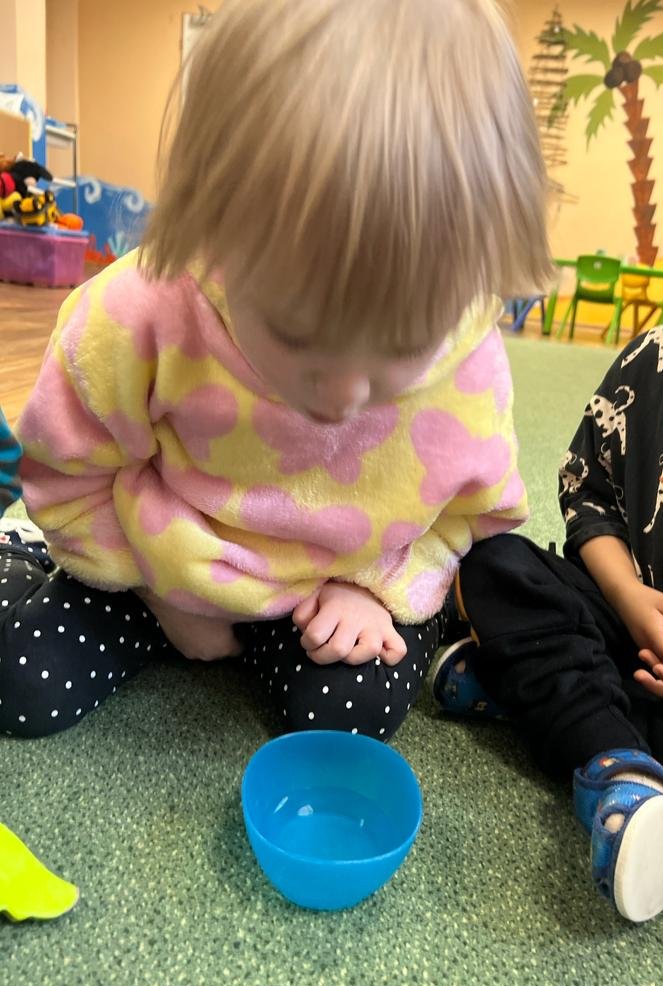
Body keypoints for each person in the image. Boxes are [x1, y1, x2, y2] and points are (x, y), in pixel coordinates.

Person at [0, 0, 549, 742]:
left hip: (323, 595)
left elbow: (465, 517)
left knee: (351, 717)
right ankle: (23, 558)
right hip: (150, 570)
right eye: (298, 337)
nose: (343, 398)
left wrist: (374, 592)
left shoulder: (470, 360)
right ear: (214, 227)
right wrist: (160, 597)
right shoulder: (143, 311)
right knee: (21, 679)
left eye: (400, 351)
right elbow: (67, 470)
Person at [434, 23, 663, 923]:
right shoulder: (657, 361)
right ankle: (620, 767)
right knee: (496, 562)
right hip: (628, 631)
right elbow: (588, 500)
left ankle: (566, 713)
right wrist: (627, 598)